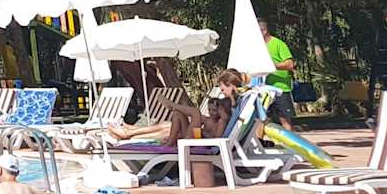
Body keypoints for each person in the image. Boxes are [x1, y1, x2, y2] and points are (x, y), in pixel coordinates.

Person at [103, 69, 244, 144]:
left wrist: (204, 131)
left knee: (194, 112)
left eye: (223, 88)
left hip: (204, 141)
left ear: (231, 86)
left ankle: (171, 105)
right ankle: (130, 132)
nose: (221, 91)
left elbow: (218, 137)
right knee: (174, 118)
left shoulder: (230, 107)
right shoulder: (231, 103)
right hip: (198, 136)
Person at [260, 19, 297, 127]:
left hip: (280, 89)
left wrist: (272, 66)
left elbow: (290, 64)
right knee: (262, 121)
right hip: (262, 90)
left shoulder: (278, 44)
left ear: (264, 31)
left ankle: (290, 138)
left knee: (284, 120)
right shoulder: (256, 47)